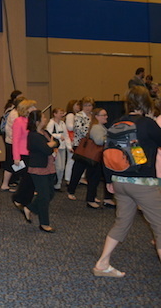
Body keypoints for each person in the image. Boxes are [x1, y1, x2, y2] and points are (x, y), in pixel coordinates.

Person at [93, 86, 161, 278]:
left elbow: (106, 151)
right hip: (142, 183)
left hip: (119, 181)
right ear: (146, 102)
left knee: (122, 222)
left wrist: (109, 179)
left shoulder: (117, 122)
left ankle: (102, 263)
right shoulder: (147, 123)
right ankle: (102, 264)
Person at [23, 110, 59, 233]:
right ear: (37, 121)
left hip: (49, 167)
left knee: (50, 194)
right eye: (43, 117)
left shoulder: (45, 132)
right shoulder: (33, 135)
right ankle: (44, 223)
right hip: (38, 168)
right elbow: (47, 150)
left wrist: (52, 144)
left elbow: (57, 142)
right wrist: (51, 144)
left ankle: (30, 208)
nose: (45, 119)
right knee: (44, 196)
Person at [11, 99, 37, 209]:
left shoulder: (32, 121)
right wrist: (16, 157)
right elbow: (15, 140)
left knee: (32, 178)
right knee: (26, 178)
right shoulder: (19, 121)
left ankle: (27, 200)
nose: (35, 109)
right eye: (32, 107)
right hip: (23, 154)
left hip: (32, 153)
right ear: (26, 109)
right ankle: (18, 198)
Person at [68, 96, 95, 200]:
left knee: (93, 171)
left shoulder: (93, 115)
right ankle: (71, 190)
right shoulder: (79, 115)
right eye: (85, 105)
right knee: (78, 169)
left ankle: (92, 195)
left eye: (90, 105)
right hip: (80, 145)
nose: (88, 108)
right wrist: (94, 133)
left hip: (92, 145)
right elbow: (80, 130)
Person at [0, 93, 25, 191]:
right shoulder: (15, 114)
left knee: (15, 164)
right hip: (12, 142)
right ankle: (6, 183)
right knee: (11, 163)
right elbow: (16, 131)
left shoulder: (15, 113)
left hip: (12, 141)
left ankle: (11, 180)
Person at [46, 107, 72, 190]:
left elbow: (66, 136)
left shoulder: (62, 123)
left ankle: (58, 184)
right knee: (58, 167)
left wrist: (69, 147)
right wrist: (59, 136)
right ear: (55, 114)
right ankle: (54, 182)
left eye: (62, 113)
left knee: (62, 168)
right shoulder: (51, 123)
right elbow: (48, 134)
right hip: (55, 148)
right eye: (60, 113)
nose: (62, 114)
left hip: (62, 147)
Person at [64, 99, 81, 184]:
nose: (78, 107)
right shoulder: (70, 115)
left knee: (73, 160)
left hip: (73, 139)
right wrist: (79, 125)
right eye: (76, 105)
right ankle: (68, 178)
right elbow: (69, 127)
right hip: (71, 140)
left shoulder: (75, 115)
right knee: (71, 159)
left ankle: (72, 178)